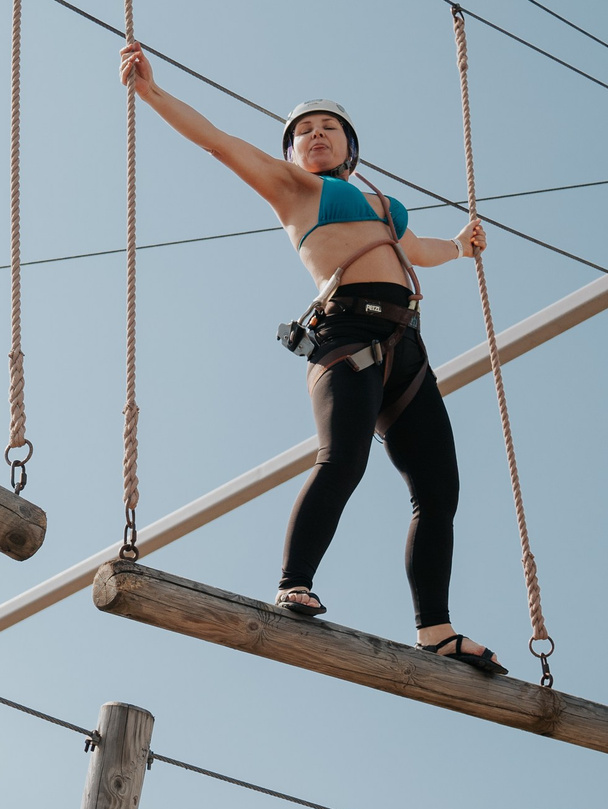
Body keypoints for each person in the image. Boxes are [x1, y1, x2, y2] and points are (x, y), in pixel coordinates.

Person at [120, 41, 507, 675]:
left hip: (406, 349)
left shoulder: (385, 207)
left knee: (440, 492)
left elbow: (418, 250)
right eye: (304, 131)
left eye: (329, 127)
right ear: (291, 153)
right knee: (343, 460)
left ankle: (436, 631)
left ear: (350, 148)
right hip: (346, 337)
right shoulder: (294, 189)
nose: (317, 135)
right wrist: (152, 93)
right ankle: (294, 582)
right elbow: (219, 143)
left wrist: (463, 247)